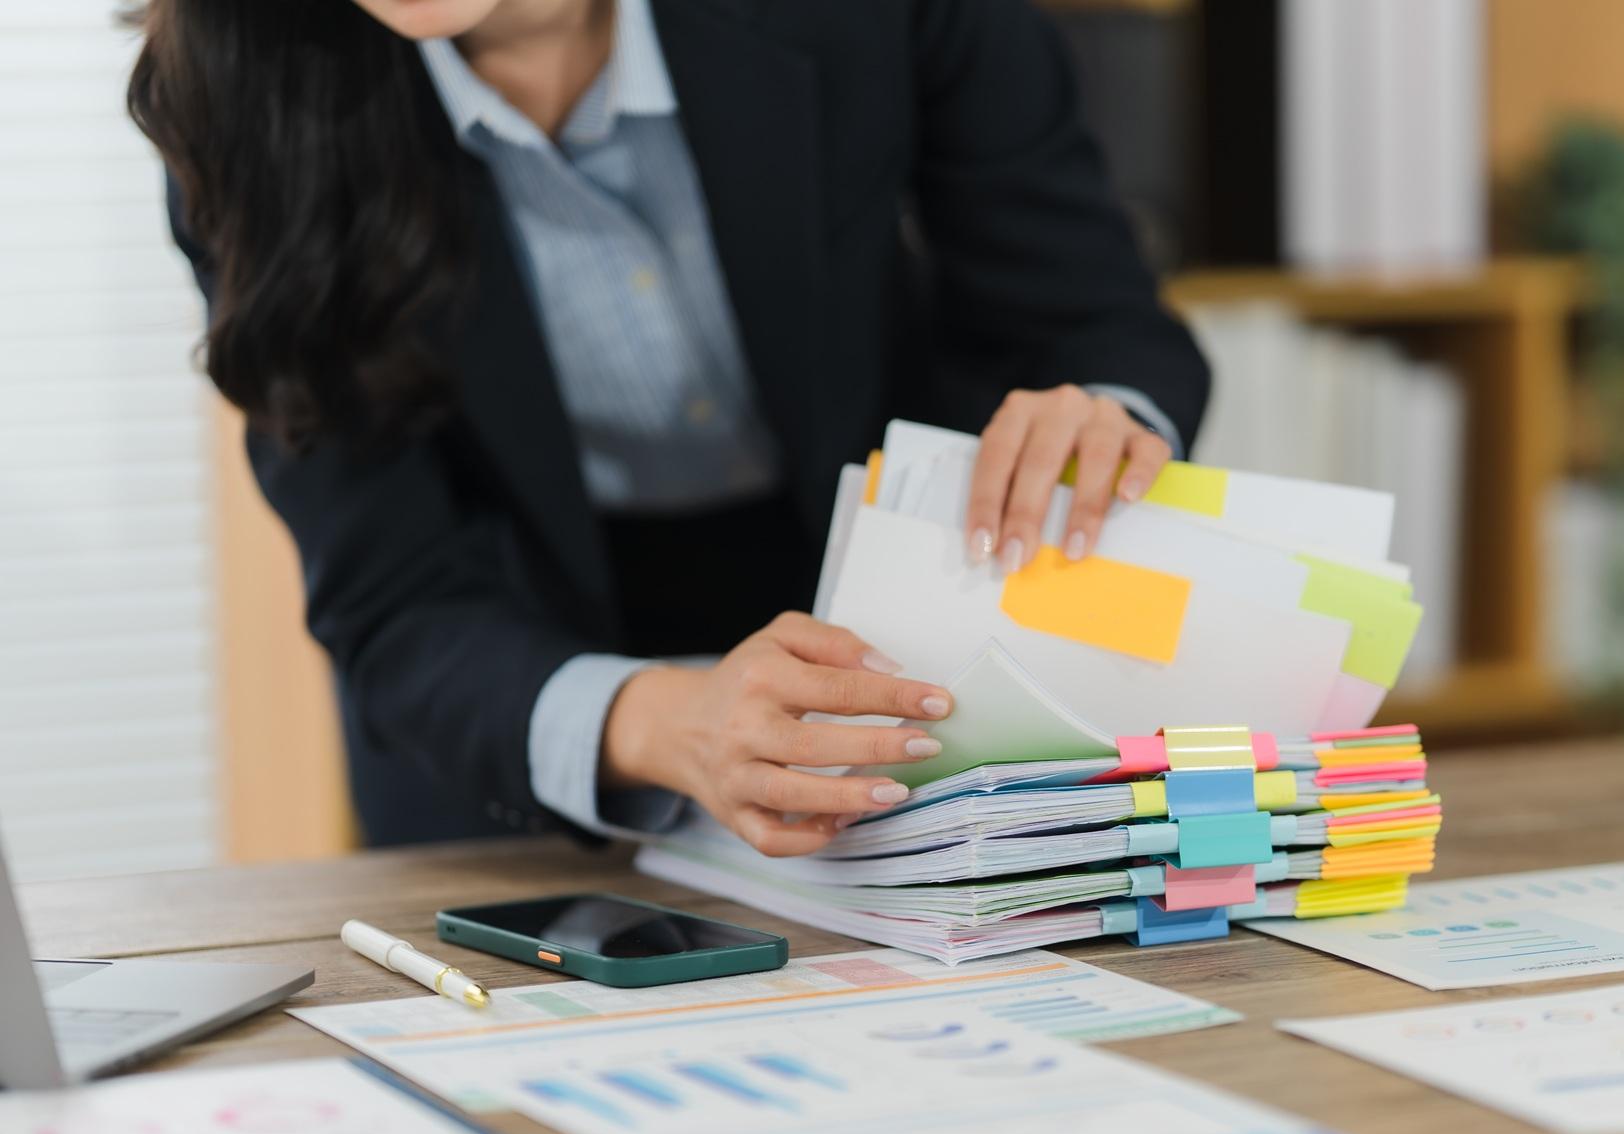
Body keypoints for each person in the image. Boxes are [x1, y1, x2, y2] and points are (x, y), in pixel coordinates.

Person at [130, 0, 1209, 855]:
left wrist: (1101, 417)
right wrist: (660, 721)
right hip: (522, 712)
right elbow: (392, 596)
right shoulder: (244, 117)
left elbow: (1092, 318)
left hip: (881, 647)